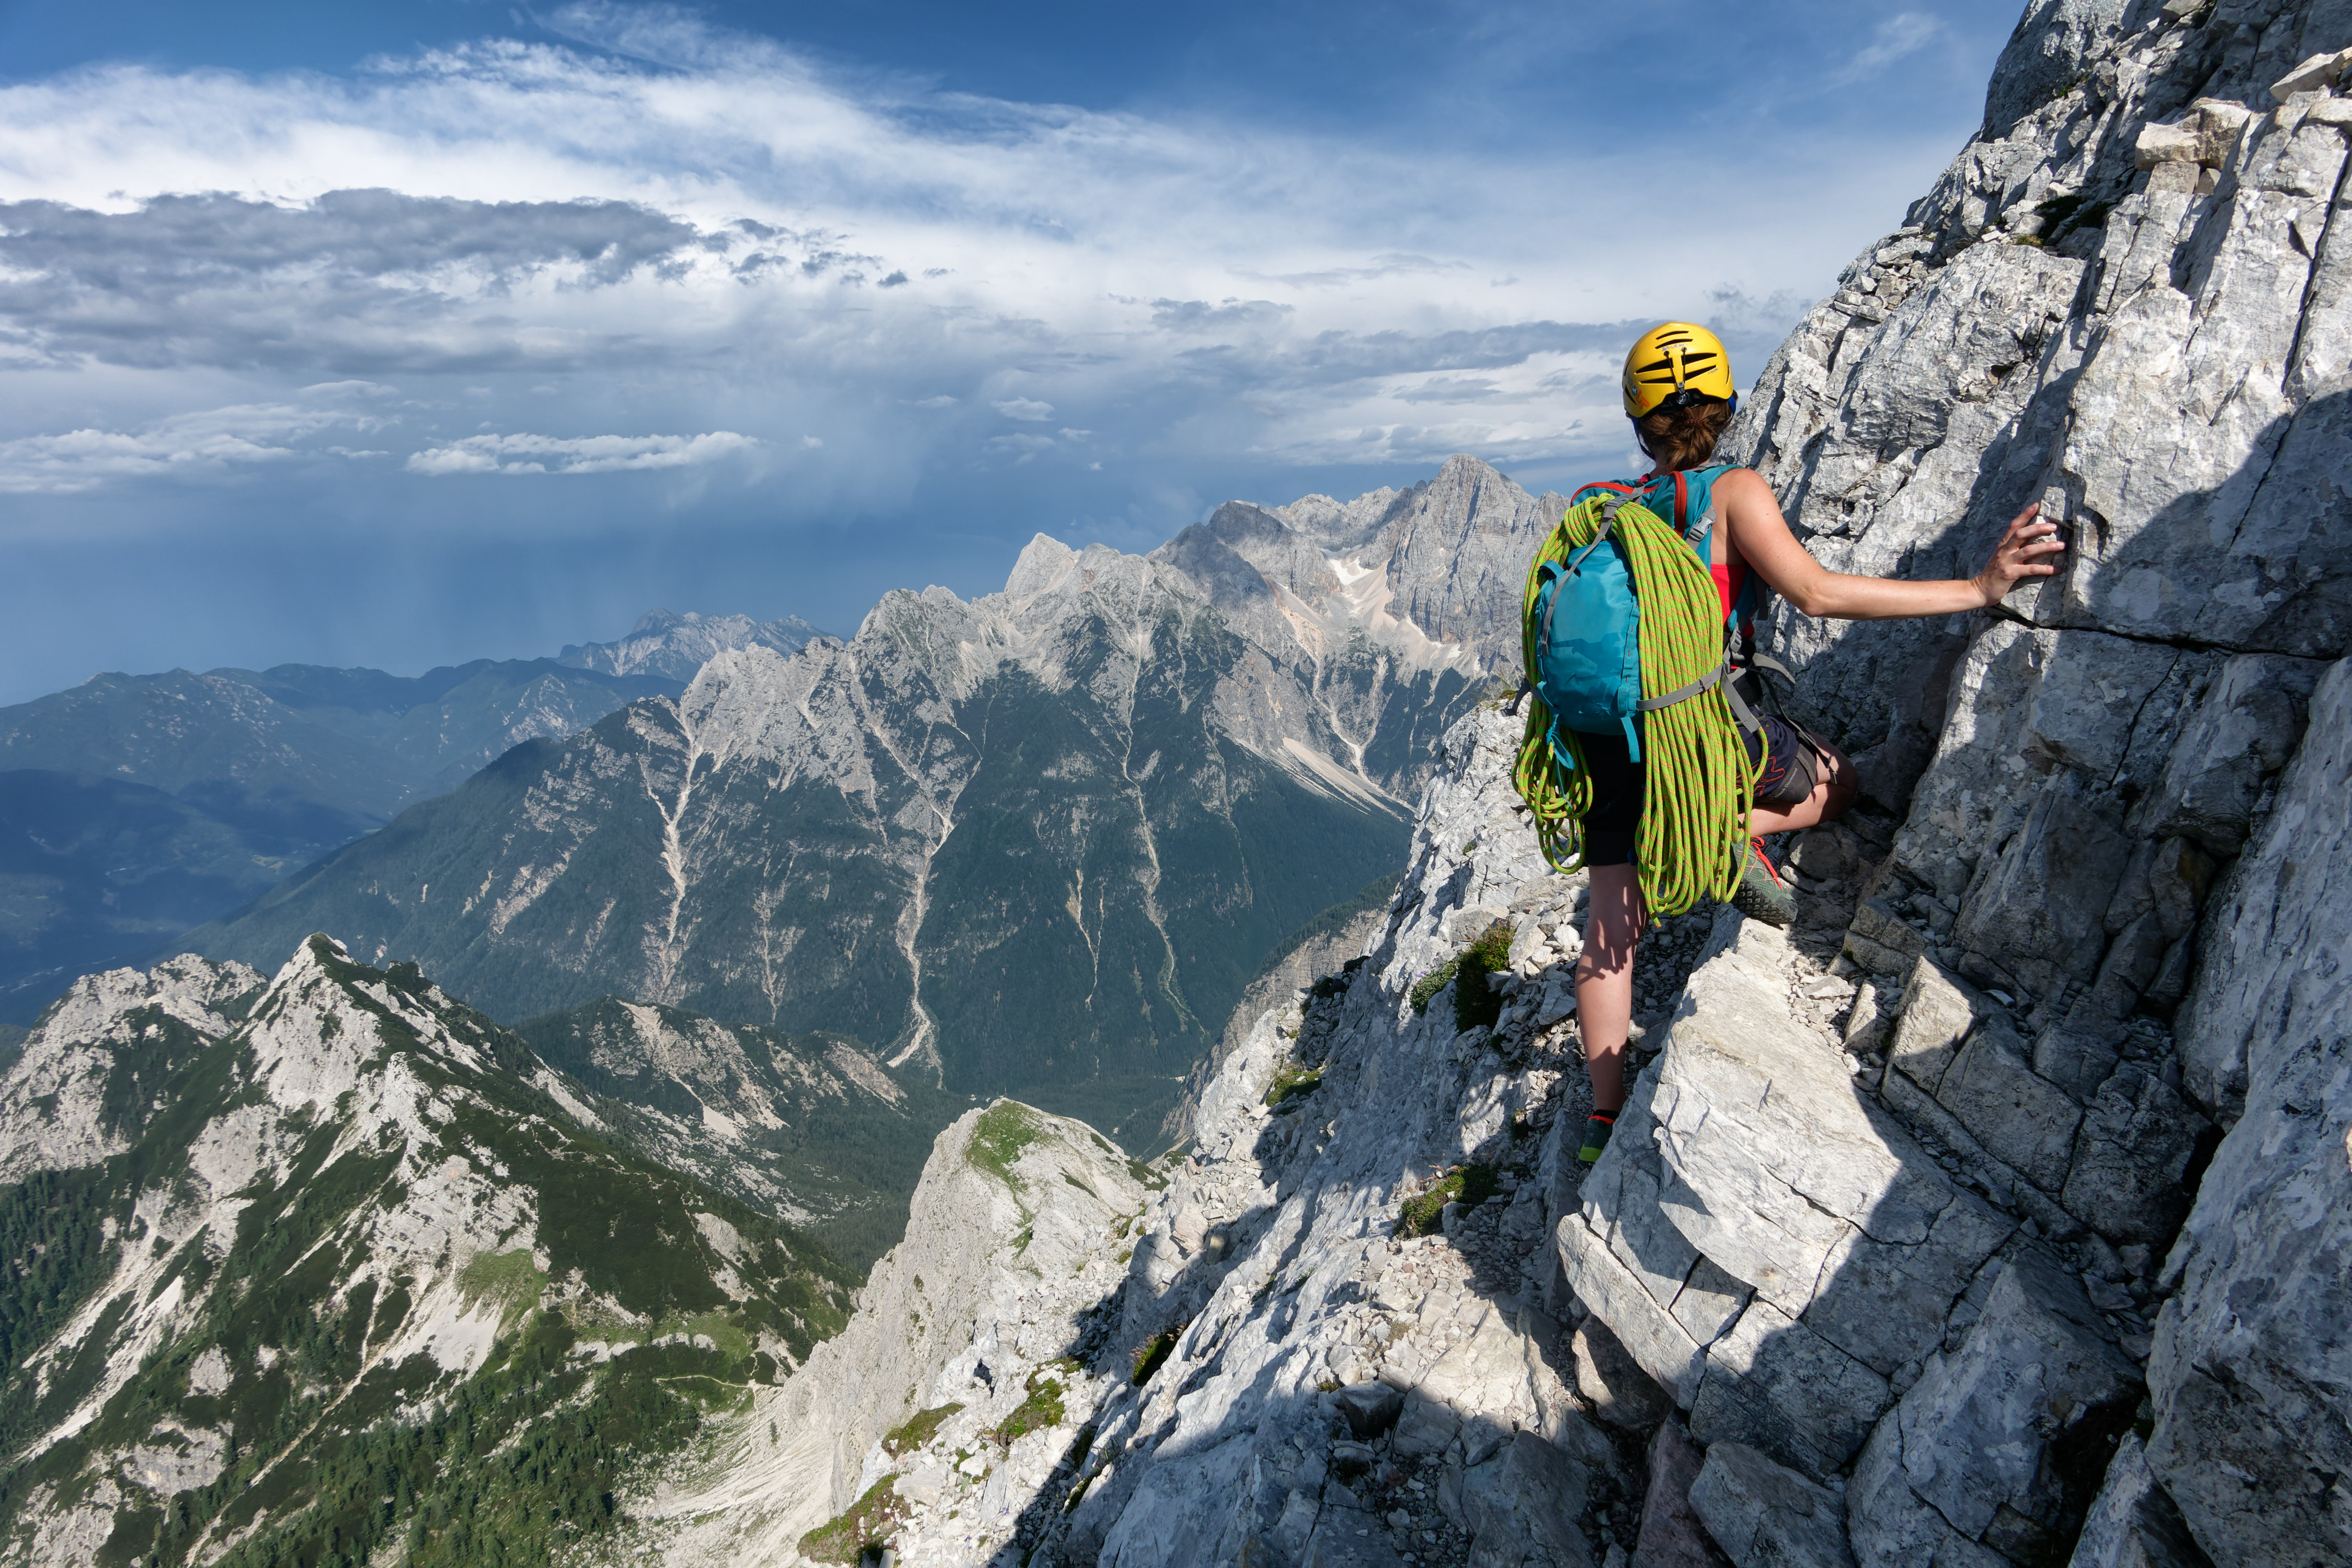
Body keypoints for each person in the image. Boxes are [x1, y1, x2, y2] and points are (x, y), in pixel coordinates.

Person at [1571, 322, 2064, 1164]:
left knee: (1607, 934)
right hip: (1706, 734)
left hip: (1614, 739)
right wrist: (1978, 588)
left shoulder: (1616, 509)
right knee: (1835, 783)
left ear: (1638, 421)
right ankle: (1720, 833)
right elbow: (1819, 594)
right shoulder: (1731, 492)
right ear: (1725, 408)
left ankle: (1604, 1121)